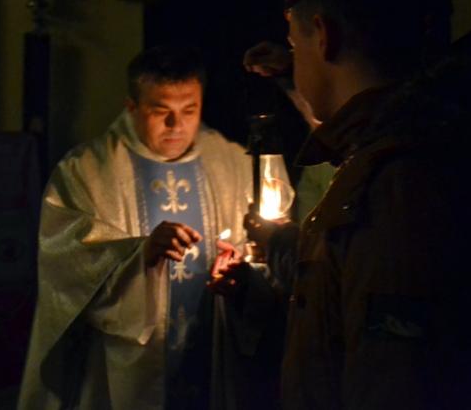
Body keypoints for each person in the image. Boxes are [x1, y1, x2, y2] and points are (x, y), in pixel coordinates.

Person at [238, 0, 471, 409]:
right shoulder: (410, 145)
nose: (295, 61)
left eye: (295, 45)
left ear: (323, 35)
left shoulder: (401, 184)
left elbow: (398, 381)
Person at [18, 45, 282, 410]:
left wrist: (241, 276)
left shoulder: (233, 163)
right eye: (161, 111)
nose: (177, 125)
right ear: (132, 106)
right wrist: (139, 255)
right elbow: (65, 265)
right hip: (124, 370)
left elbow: (268, 253)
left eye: (189, 110)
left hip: (212, 352)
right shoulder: (86, 172)